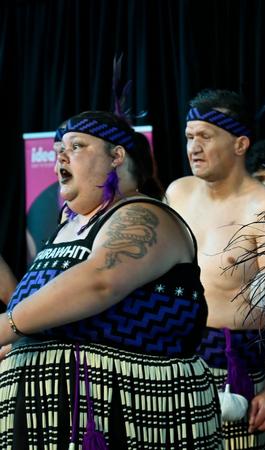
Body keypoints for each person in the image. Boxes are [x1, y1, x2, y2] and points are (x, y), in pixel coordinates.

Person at [0, 110, 220, 448]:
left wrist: (8, 325)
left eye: (77, 145)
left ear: (116, 156)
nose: (60, 154)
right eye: (59, 147)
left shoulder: (143, 214)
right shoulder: (68, 226)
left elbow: (99, 281)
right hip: (52, 412)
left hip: (121, 411)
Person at [165, 89, 265, 450]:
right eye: (190, 137)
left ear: (240, 144)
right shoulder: (178, 193)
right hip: (172, 355)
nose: (194, 147)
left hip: (233, 358)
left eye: (205, 136)